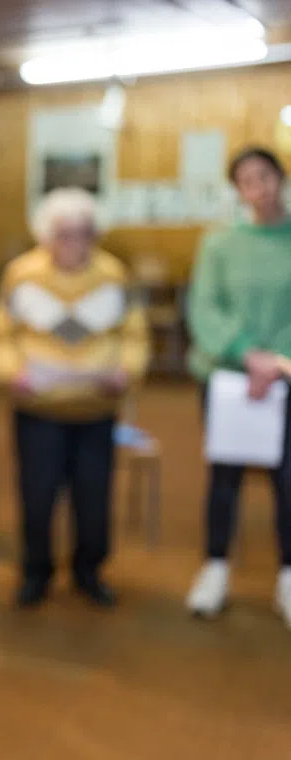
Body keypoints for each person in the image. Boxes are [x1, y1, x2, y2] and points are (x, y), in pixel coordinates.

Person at [0, 187, 149, 609]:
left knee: (94, 498)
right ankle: (36, 572)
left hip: (96, 411)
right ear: (47, 234)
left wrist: (125, 371)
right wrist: (11, 374)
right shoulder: (21, 275)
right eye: (65, 233)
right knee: (37, 497)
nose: (74, 243)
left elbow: (134, 335)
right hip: (38, 411)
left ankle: (89, 571)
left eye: (83, 233)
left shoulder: (114, 275)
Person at [186, 147, 291, 626]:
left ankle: (288, 576)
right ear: (238, 190)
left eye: (265, 176)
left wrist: (275, 363)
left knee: (287, 480)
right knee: (224, 478)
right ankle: (215, 569)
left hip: (286, 379)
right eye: (247, 180)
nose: (258, 187)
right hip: (230, 379)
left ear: (280, 179)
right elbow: (205, 306)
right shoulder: (219, 244)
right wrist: (247, 352)